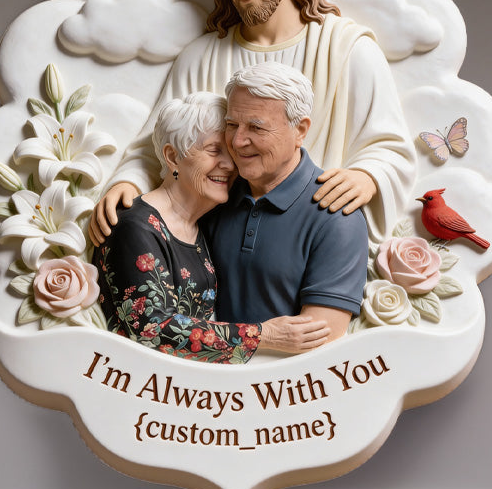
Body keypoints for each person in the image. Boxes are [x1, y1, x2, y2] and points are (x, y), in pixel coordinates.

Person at [88, 0, 416, 248]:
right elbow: (158, 145)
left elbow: (389, 147)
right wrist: (128, 183)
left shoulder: (347, 49)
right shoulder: (202, 57)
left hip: (315, 234)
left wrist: (367, 176)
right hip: (220, 241)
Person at [94, 92, 330, 363]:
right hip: (138, 380)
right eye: (214, 151)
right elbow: (151, 330)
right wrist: (264, 336)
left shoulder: (200, 222)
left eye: (231, 152)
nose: (229, 165)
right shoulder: (134, 226)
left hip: (189, 384)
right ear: (172, 157)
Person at [205, 65, 368, 342]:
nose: (238, 141)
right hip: (197, 371)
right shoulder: (215, 192)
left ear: (300, 130)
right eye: (231, 125)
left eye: (256, 127)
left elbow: (318, 339)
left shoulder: (336, 216)